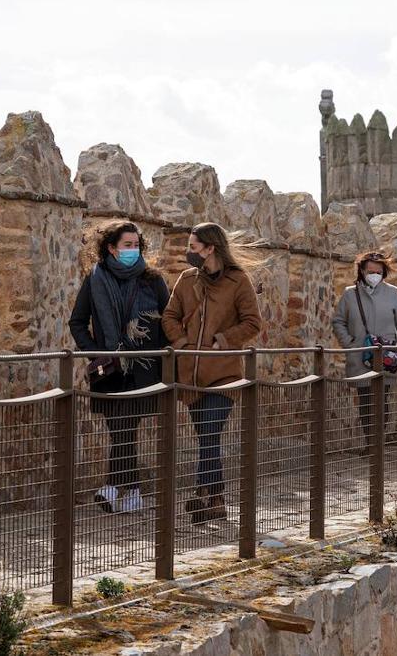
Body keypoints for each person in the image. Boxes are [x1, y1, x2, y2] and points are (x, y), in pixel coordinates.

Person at [162, 222, 262, 524]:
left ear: (210, 248)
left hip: (224, 373)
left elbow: (252, 323)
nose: (188, 252)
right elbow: (169, 315)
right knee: (207, 436)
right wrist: (182, 342)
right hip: (191, 373)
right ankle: (216, 498)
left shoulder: (237, 281)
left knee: (209, 431)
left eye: (193, 247)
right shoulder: (187, 278)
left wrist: (222, 340)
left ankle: (202, 494)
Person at [69, 220, 170, 515]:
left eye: (136, 245)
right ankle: (131, 491)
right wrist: (95, 353)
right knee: (121, 429)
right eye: (127, 245)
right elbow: (77, 322)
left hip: (144, 368)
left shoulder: (152, 280)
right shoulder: (96, 279)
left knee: (124, 428)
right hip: (110, 368)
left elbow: (168, 319)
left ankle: (113, 488)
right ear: (111, 248)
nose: (132, 250)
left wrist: (161, 354)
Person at [331, 251, 397, 452]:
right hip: (360, 356)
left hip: (386, 358)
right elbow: (338, 321)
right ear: (362, 271)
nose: (374, 275)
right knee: (365, 400)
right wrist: (349, 343)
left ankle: (377, 442)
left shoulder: (393, 292)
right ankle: (371, 443)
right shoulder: (350, 294)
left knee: (381, 399)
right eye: (371, 271)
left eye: (378, 271)